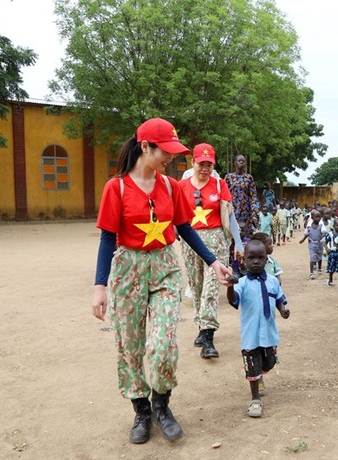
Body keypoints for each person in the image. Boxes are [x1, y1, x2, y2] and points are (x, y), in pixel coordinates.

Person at [91, 118, 231, 444]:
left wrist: (213, 263)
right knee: (130, 346)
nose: (171, 157)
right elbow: (107, 238)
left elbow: (184, 227)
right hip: (128, 270)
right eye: (164, 151)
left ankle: (162, 406)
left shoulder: (170, 186)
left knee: (163, 343)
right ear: (145, 147)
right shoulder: (118, 187)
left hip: (165, 265)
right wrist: (100, 286)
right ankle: (141, 411)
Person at [179, 143, 243, 360]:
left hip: (216, 241)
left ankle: (208, 336)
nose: (205, 168)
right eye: (201, 164)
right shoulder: (182, 186)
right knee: (196, 286)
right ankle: (201, 325)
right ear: (193, 162)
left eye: (209, 164)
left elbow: (230, 215)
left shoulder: (219, 185)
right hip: (190, 241)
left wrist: (239, 243)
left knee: (211, 287)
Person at [226, 240, 290, 418]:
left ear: (266, 259)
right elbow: (233, 300)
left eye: (260, 258)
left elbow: (279, 299)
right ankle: (255, 399)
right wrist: (230, 285)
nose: (256, 261)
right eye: (251, 258)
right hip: (251, 335)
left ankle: (260, 375)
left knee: (269, 362)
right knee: (252, 366)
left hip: (269, 333)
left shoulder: (272, 281)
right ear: (243, 260)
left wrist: (283, 310)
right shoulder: (242, 283)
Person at [224, 154, 259, 240]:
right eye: (239, 161)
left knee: (246, 237)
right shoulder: (228, 177)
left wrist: (254, 214)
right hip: (232, 212)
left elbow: (253, 196)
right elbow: (224, 195)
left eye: (243, 161)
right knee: (231, 237)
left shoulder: (249, 178)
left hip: (246, 214)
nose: (241, 163)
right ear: (235, 163)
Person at [299, 209, 327, 279]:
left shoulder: (321, 226)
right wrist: (303, 239)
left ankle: (319, 268)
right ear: (312, 218)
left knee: (319, 256)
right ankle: (311, 273)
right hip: (312, 244)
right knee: (312, 257)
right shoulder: (309, 226)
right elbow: (306, 234)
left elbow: (324, 233)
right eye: (316, 217)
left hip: (319, 244)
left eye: (319, 217)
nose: (318, 218)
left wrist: (323, 236)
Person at [325, 218, 338, 290]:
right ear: (333, 226)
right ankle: (330, 279)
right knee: (331, 268)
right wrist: (327, 249)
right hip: (332, 254)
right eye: (337, 225)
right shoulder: (330, 234)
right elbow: (324, 242)